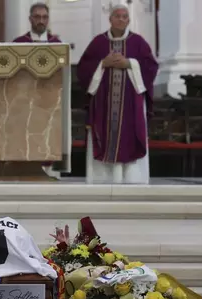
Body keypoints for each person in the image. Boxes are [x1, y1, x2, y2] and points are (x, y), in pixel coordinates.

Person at [77, 4, 158, 184]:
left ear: (128, 20)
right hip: (103, 106)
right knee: (103, 136)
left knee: (129, 137)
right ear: (110, 19)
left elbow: (151, 67)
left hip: (131, 105)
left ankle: (132, 180)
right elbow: (83, 69)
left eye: (124, 16)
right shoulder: (98, 43)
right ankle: (102, 181)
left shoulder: (138, 43)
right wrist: (102, 64)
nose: (121, 19)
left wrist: (130, 64)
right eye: (117, 16)